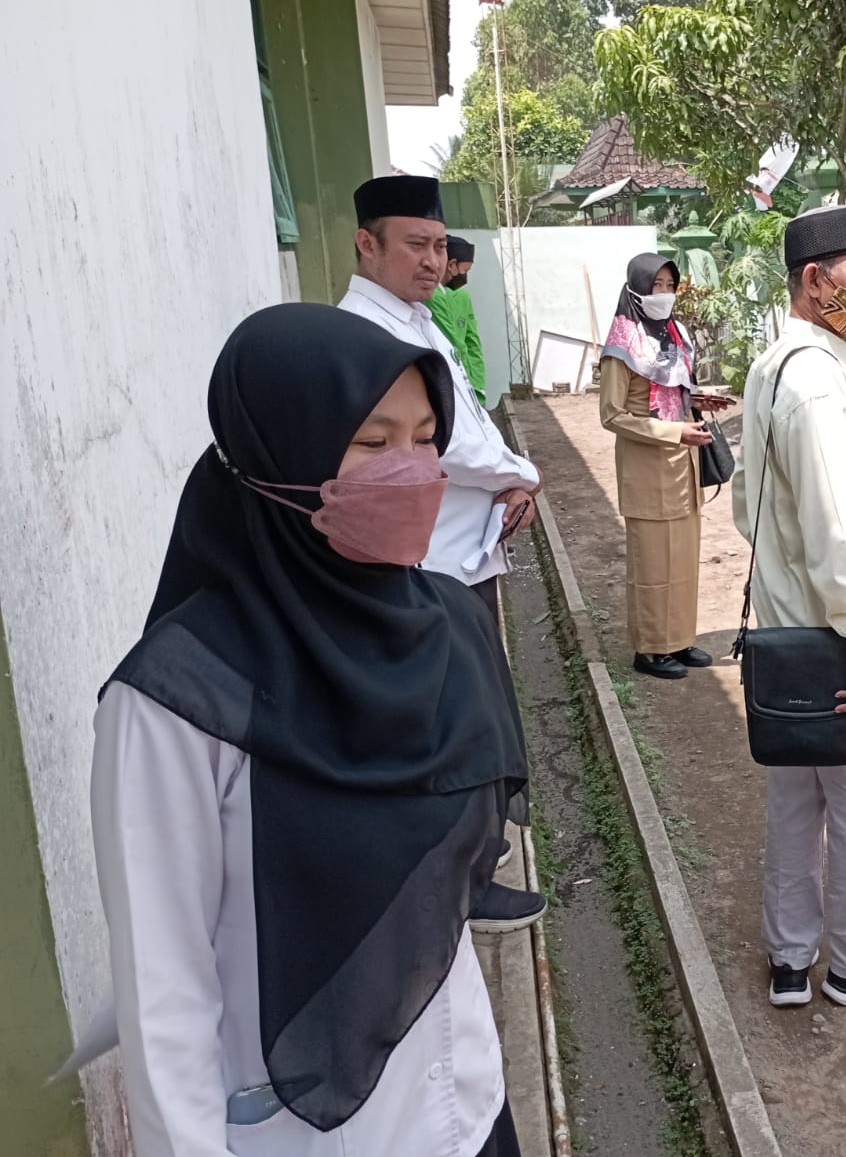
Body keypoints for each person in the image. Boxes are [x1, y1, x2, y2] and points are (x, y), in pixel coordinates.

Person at [92, 304, 531, 1155]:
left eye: (426, 438)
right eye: (372, 442)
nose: (412, 472)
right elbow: (164, 995)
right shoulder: (179, 702)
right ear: (278, 453)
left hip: (465, 1104)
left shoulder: (450, 626)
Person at [339, 173, 543, 933]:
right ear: (367, 244)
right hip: (425, 566)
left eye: (436, 245)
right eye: (413, 245)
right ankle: (464, 884)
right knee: (453, 726)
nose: (431, 261)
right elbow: (445, 441)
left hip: (462, 553)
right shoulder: (367, 334)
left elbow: (468, 421)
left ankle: (475, 858)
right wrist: (523, 473)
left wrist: (510, 481)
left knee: (472, 714)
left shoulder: (417, 319)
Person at [732, 204, 846, 1009]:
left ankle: (789, 959)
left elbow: (749, 503)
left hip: (789, 635)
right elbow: (841, 539)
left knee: (793, 803)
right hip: (843, 642)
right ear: (815, 281)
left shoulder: (778, 365)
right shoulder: (816, 382)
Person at [598, 253, 726, 680]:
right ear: (637, 288)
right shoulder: (622, 345)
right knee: (653, 563)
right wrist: (674, 432)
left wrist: (699, 400)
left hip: (684, 466)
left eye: (671, 286)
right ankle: (651, 649)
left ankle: (679, 640)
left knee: (684, 560)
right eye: (657, 286)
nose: (665, 294)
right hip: (647, 468)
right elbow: (612, 415)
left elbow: (674, 391)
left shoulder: (674, 333)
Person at [428, 235, 489, 406]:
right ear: (452, 265)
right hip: (450, 380)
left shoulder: (461, 296)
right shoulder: (431, 296)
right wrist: (469, 384)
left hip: (468, 379)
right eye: (465, 270)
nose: (465, 277)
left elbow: (472, 339)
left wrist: (477, 381)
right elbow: (453, 343)